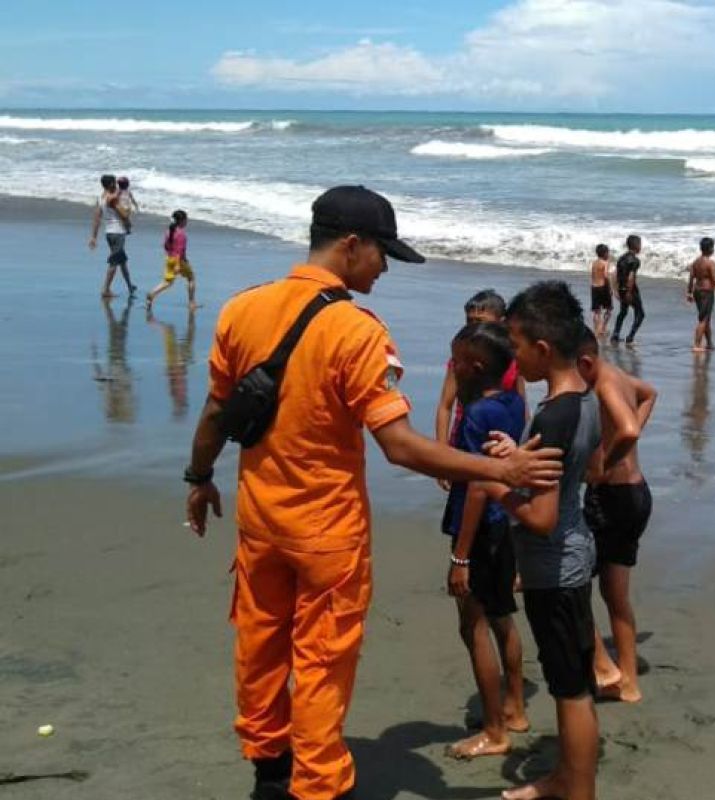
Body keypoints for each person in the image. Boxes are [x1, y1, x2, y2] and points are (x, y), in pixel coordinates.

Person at [183, 186, 564, 800]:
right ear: (351, 246)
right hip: (327, 537)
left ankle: (269, 771)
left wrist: (198, 478)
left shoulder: (240, 310)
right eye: (382, 253)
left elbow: (216, 412)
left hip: (260, 525)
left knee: (259, 648)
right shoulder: (357, 332)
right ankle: (317, 785)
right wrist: (502, 472)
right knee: (321, 665)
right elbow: (402, 446)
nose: (384, 267)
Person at [472, 281, 601, 800]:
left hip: (555, 565)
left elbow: (542, 516)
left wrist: (495, 484)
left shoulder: (551, 414)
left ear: (542, 350)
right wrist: (516, 455)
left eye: (518, 345)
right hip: (575, 553)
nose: (513, 357)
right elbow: (573, 470)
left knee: (570, 690)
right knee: (572, 680)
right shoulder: (582, 400)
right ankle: (566, 778)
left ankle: (579, 789)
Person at [442, 321, 530, 760]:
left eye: (456, 362)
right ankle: (514, 706)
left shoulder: (477, 414)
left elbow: (477, 485)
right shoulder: (513, 402)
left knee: (472, 625)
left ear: (475, 367)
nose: (452, 369)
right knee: (502, 617)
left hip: (477, 528)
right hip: (504, 523)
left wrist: (460, 556)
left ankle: (494, 730)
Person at [577, 330, 657, 703]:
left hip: (612, 495)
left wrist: (603, 464)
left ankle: (604, 669)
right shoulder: (620, 376)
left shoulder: (604, 382)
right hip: (636, 493)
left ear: (587, 362)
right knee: (614, 592)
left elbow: (626, 429)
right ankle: (628, 680)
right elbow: (649, 393)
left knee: (572, 582)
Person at [434, 289, 525, 491]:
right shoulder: (460, 362)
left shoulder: (513, 361)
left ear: (502, 323)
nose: (474, 328)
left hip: (501, 441)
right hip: (465, 437)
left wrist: (522, 445)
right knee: (463, 495)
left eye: (481, 322)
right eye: (470, 322)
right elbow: (445, 406)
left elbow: (521, 402)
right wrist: (440, 455)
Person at [88, 174, 136, 297]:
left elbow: (97, 218)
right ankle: (106, 289)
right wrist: (129, 212)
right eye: (114, 183)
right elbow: (123, 215)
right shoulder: (112, 199)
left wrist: (93, 236)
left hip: (109, 232)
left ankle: (130, 286)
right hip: (118, 232)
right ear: (110, 185)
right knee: (114, 262)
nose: (116, 185)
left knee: (122, 260)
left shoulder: (101, 197)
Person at [685, 236, 715, 352]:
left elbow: (691, 278)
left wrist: (690, 292)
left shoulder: (695, 263)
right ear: (710, 249)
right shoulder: (710, 263)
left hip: (697, 291)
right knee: (703, 319)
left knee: (706, 319)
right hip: (706, 292)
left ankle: (710, 343)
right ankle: (696, 345)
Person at [146, 210, 196, 310]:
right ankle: (191, 303)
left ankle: (152, 294)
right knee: (191, 278)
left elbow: (166, 246)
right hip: (178, 261)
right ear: (182, 221)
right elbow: (179, 251)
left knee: (167, 282)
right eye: (186, 219)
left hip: (169, 259)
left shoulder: (169, 231)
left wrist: (170, 256)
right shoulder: (181, 234)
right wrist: (180, 263)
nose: (187, 221)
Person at [610, 234, 645, 346]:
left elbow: (615, 274)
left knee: (623, 312)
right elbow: (631, 277)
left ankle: (615, 335)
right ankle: (630, 338)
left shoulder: (621, 258)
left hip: (621, 288)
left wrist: (615, 289)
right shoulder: (635, 260)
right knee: (640, 313)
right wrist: (630, 292)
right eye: (640, 244)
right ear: (636, 246)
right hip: (631, 290)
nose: (641, 247)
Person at [589, 244, 614, 337]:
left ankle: (596, 330)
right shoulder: (605, 263)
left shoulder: (594, 263)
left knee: (596, 311)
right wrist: (610, 288)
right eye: (608, 253)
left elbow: (592, 275)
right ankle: (603, 328)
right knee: (609, 309)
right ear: (605, 253)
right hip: (603, 287)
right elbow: (606, 276)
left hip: (594, 287)